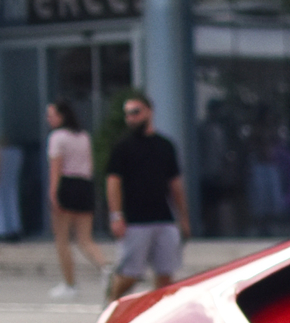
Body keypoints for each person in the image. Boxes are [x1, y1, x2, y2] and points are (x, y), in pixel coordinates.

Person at [104, 94, 189, 301]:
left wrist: (183, 218)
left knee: (165, 274)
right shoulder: (122, 147)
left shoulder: (165, 145)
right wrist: (116, 215)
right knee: (130, 274)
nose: (131, 118)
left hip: (163, 218)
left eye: (135, 112)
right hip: (135, 221)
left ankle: (158, 314)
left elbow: (175, 185)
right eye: (127, 114)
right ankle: (110, 303)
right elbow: (113, 182)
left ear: (149, 112)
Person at [44, 100, 100, 299]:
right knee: (85, 239)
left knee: (62, 239)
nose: (48, 119)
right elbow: (90, 165)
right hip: (84, 184)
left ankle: (70, 283)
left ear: (62, 116)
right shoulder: (84, 136)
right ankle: (106, 267)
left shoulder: (57, 137)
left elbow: (56, 168)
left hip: (67, 184)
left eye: (52, 115)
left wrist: (53, 194)